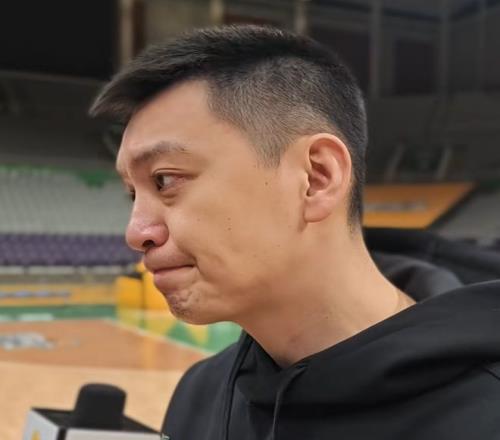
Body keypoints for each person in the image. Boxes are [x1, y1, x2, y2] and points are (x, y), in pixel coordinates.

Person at [90, 25, 500, 440]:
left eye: (164, 180)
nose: (136, 232)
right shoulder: (200, 393)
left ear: (316, 178)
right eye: (132, 194)